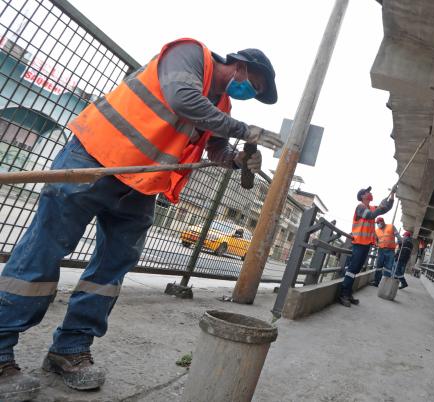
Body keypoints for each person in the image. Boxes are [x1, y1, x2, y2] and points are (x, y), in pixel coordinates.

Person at [0, 38, 282, 399]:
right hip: (96, 158)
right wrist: (245, 131)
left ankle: (69, 351)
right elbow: (183, 99)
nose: (248, 93)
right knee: (43, 251)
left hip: (141, 184)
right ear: (241, 66)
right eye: (252, 85)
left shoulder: (222, 104)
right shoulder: (191, 55)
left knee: (111, 270)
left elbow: (215, 146)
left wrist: (238, 159)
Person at [339, 186, 394, 307]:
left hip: (366, 244)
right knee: (352, 269)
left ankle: (348, 293)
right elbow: (370, 215)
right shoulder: (360, 207)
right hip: (358, 243)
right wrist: (381, 206)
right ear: (362, 196)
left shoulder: (372, 208)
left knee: (356, 269)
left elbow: (385, 208)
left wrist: (392, 196)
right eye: (367, 192)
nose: (370, 193)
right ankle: (343, 294)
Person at [370, 217, 401, 287]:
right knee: (378, 266)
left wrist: (400, 240)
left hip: (390, 251)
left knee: (388, 268)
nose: (378, 224)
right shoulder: (377, 231)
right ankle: (376, 282)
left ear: (382, 221)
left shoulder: (391, 227)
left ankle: (384, 284)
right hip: (381, 250)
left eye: (379, 223)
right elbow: (376, 240)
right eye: (377, 223)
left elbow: (397, 235)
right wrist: (375, 244)